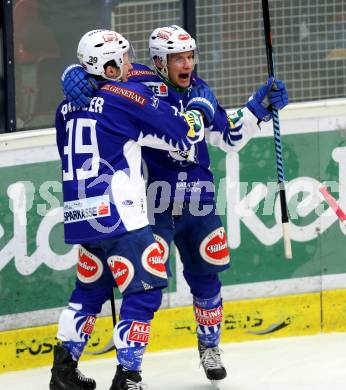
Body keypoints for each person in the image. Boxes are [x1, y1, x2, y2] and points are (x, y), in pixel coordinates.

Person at [61, 25, 289, 387]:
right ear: (159, 63)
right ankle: (130, 372)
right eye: (178, 58)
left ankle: (209, 347)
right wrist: (71, 74)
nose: (187, 64)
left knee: (206, 278)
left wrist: (257, 108)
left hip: (199, 203)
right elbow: (100, 69)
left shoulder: (200, 91)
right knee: (145, 288)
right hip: (153, 208)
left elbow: (229, 137)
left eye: (190, 55)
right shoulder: (137, 82)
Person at [51, 28, 218, 390]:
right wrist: (198, 111)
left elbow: (69, 147)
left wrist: (71, 73)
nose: (128, 64)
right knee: (145, 290)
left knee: (88, 291)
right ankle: (128, 377)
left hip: (82, 213)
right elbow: (180, 133)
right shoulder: (125, 96)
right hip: (120, 215)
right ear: (107, 67)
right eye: (121, 60)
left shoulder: (65, 107)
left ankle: (63, 372)